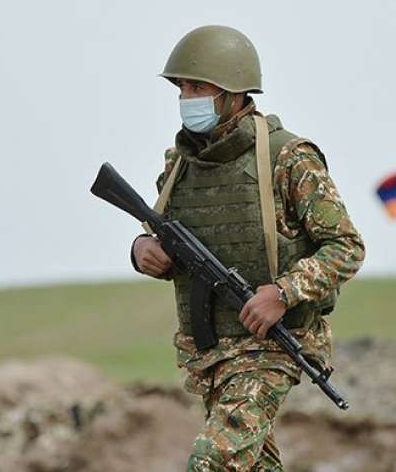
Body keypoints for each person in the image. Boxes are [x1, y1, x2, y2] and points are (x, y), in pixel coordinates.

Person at [130, 25, 365, 471]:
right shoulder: (180, 164)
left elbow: (346, 247)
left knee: (212, 461)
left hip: (272, 346)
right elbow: (160, 233)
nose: (186, 97)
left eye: (198, 87)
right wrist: (142, 249)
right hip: (209, 353)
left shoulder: (288, 158)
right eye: (182, 88)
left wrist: (283, 293)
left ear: (234, 93)